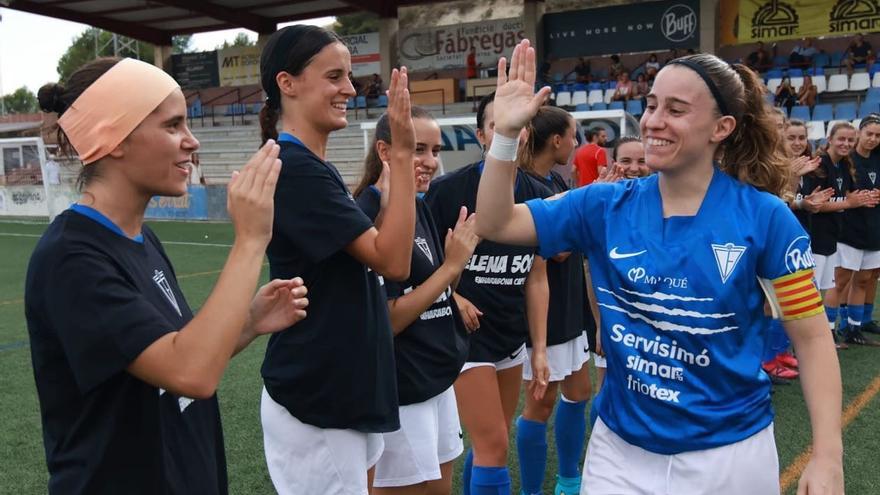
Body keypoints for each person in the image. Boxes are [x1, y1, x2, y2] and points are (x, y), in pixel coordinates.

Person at [476, 39, 844, 494]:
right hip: (618, 453)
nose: (653, 121)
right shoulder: (604, 204)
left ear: (721, 127)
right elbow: (494, 221)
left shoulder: (766, 218)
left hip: (729, 456)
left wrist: (828, 454)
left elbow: (810, 337)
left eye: (676, 109)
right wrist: (507, 136)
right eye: (651, 105)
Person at [27, 57, 309, 495]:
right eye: (173, 126)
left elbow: (172, 358)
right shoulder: (71, 257)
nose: (191, 142)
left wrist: (249, 322)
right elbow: (191, 373)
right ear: (114, 137)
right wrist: (251, 240)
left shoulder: (143, 240)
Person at [257, 25, 417, 495]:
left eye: (348, 76)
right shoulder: (296, 168)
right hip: (318, 394)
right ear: (288, 83)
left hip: (340, 389)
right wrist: (403, 155)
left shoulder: (311, 165)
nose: (349, 89)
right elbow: (393, 261)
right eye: (334, 76)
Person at [423, 91, 551, 495]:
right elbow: (420, 265)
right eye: (496, 125)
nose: (506, 132)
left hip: (510, 339)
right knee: (494, 444)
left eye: (515, 123)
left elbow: (536, 277)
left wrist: (541, 348)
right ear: (482, 136)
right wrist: (453, 296)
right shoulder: (447, 192)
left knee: (489, 447)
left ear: (527, 132)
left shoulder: (540, 196)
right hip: (463, 339)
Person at [353, 107, 478, 494]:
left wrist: (451, 286)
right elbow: (388, 319)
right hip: (402, 389)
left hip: (436, 378)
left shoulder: (417, 203)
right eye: (418, 149)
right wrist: (450, 268)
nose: (430, 162)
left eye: (435, 150)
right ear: (385, 152)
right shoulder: (368, 214)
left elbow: (425, 290)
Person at [512, 106, 595, 495]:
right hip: (543, 318)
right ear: (556, 140)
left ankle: (568, 479)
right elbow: (557, 249)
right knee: (538, 407)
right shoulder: (526, 185)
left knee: (579, 393)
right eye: (572, 135)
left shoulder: (554, 182)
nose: (575, 143)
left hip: (568, 310)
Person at [811, 122, 880, 348]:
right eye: (842, 139)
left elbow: (849, 194)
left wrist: (863, 198)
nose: (846, 144)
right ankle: (826, 333)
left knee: (856, 281)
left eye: (849, 140)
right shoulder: (821, 164)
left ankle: (851, 329)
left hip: (854, 233)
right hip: (834, 235)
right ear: (829, 139)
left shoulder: (845, 164)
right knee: (834, 284)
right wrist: (852, 202)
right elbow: (817, 203)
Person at [831, 115, 880, 346]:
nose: (872, 139)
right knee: (839, 281)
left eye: (878, 135)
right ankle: (829, 328)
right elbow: (838, 191)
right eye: (869, 133)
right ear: (860, 132)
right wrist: (853, 199)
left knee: (863, 280)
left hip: (874, 229)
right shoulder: (847, 159)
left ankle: (853, 328)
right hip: (849, 230)